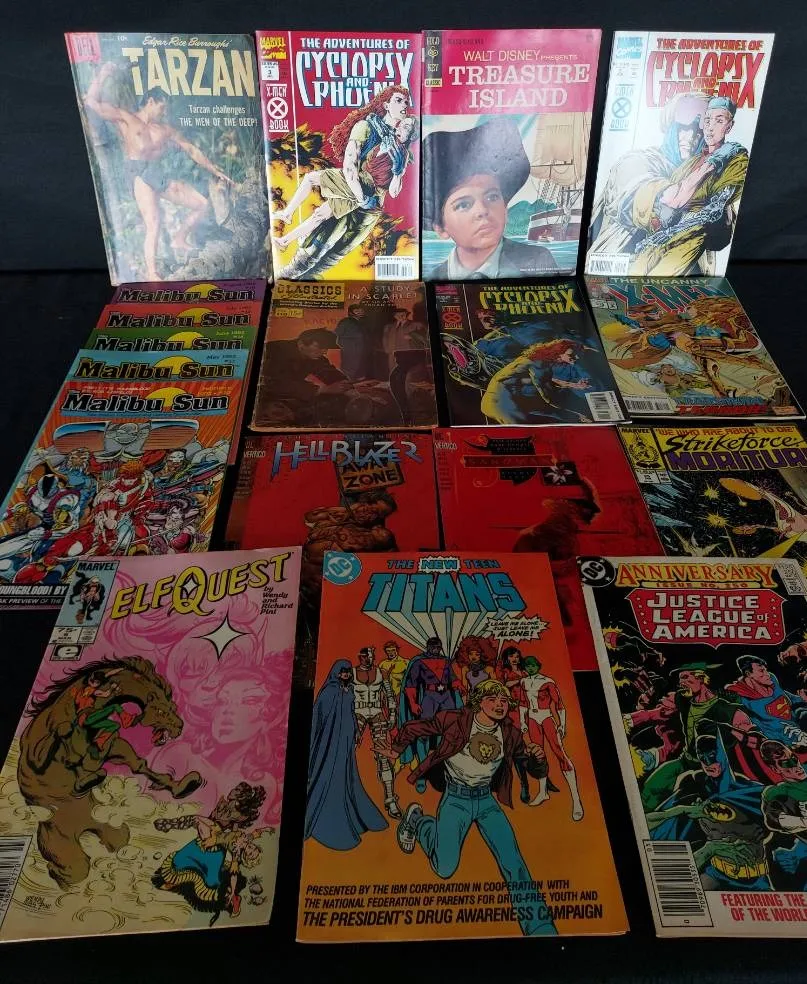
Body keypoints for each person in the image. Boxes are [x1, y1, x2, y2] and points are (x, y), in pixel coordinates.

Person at [375, 679, 557, 937]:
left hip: (486, 803)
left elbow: (531, 767)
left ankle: (540, 928)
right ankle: (418, 822)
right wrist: (396, 750)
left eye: (503, 701)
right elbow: (416, 727)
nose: (499, 705)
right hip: (456, 799)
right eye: (492, 699)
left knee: (513, 861)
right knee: (444, 868)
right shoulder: (455, 719)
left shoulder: (510, 732)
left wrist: (538, 759)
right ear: (479, 702)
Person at [84, 61, 235, 281]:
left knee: (201, 203)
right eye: (162, 107)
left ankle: (179, 238)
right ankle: (152, 273)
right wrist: (102, 74)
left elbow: (191, 149)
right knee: (153, 222)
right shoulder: (126, 119)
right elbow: (91, 103)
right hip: (137, 172)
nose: (165, 112)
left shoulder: (165, 130)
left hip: (156, 173)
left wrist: (214, 170)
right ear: (151, 101)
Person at [275, 87, 415, 279]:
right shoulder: (366, 127)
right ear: (385, 105)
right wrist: (361, 197)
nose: (405, 105)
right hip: (354, 192)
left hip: (370, 208)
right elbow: (350, 166)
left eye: (406, 101)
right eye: (399, 100)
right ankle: (286, 271)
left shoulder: (399, 147)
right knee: (319, 240)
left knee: (337, 250)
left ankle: (293, 257)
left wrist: (398, 172)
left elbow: (393, 190)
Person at [423, 118, 556, 280]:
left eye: (492, 197)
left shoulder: (538, 261)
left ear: (505, 210)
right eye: (463, 205)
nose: (482, 210)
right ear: (441, 229)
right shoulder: (433, 279)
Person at [630, 97, 749, 276]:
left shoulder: (736, 157)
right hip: (660, 236)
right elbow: (669, 198)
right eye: (707, 121)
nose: (710, 127)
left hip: (693, 235)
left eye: (719, 121)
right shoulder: (691, 162)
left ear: (729, 126)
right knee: (634, 276)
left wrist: (677, 225)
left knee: (663, 280)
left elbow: (716, 207)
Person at [588, 93, 708, 267]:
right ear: (670, 127)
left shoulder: (703, 173)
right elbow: (650, 202)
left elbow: (720, 234)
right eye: (684, 127)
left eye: (699, 131)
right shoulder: (636, 162)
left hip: (683, 275)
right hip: (621, 268)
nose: (691, 137)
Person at [647, 734, 769, 892]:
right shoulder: (694, 787)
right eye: (702, 757)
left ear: (723, 755)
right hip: (715, 873)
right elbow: (654, 822)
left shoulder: (749, 791)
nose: (707, 763)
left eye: (712, 756)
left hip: (755, 878)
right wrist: (682, 810)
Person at [640, 663, 757, 811]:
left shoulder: (727, 710)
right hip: (686, 761)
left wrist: (726, 730)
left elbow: (754, 740)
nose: (681, 683)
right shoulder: (682, 700)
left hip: (715, 769)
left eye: (685, 677)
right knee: (651, 789)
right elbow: (657, 712)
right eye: (680, 679)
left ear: (701, 678)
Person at [152, 782, 268, 925]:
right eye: (254, 849)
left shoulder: (237, 851)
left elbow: (233, 873)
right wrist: (262, 831)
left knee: (210, 881)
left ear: (246, 856)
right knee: (181, 858)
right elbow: (251, 834)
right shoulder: (244, 835)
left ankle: (174, 825)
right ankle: (174, 826)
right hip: (209, 837)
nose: (251, 849)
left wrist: (232, 891)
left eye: (251, 853)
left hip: (214, 850)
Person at [305, 659, 388, 850]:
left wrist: (357, 731)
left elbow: (351, 712)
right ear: (336, 672)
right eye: (343, 671)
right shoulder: (329, 691)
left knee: (348, 774)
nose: (346, 674)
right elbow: (319, 717)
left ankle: (355, 815)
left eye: (348, 671)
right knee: (331, 772)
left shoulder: (349, 690)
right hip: (332, 740)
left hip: (347, 739)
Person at [520, 656, 583, 820]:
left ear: (538, 666)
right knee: (538, 756)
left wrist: (562, 725)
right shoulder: (524, 682)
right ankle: (543, 792)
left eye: (533, 665)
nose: (530, 668)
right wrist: (523, 722)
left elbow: (559, 704)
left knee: (560, 753)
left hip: (547, 718)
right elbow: (523, 704)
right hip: (532, 720)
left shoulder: (548, 681)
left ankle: (576, 800)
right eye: (527, 666)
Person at [398, 637, 463, 793]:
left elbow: (452, 679)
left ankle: (445, 771)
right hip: (429, 698)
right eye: (433, 647)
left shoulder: (445, 661)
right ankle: (422, 774)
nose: (435, 649)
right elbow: (411, 685)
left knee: (448, 734)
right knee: (423, 735)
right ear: (428, 647)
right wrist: (413, 704)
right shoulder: (418, 662)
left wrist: (458, 685)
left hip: (446, 698)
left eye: (438, 647)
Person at [480, 340, 593, 424]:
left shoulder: (539, 361)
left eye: (577, 353)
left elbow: (546, 381)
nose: (577, 357)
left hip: (503, 402)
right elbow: (548, 398)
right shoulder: (539, 364)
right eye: (571, 354)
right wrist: (576, 416)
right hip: (500, 404)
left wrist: (575, 385)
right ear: (558, 352)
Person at [350, 646, 401, 818]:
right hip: (358, 713)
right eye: (366, 656)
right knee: (348, 749)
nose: (369, 659)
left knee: (383, 756)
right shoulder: (352, 673)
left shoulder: (381, 673)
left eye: (371, 656)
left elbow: (390, 695)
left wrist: (392, 714)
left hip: (377, 712)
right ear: (360, 657)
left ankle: (390, 799)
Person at [725, 656, 807, 748]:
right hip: (783, 738)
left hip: (798, 722)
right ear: (748, 673)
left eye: (766, 670)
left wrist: (802, 700)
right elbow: (762, 725)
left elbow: (785, 696)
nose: (767, 674)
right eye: (761, 671)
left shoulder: (771, 679)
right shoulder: (740, 696)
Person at [334, 304, 372, 381]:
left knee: (359, 367)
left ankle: (357, 381)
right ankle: (348, 381)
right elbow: (337, 334)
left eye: (361, 310)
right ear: (350, 312)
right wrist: (345, 346)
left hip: (361, 349)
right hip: (350, 349)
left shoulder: (363, 322)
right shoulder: (346, 321)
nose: (360, 312)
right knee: (349, 366)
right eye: (356, 311)